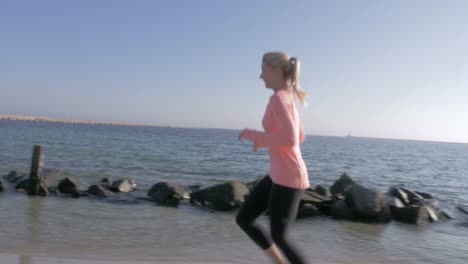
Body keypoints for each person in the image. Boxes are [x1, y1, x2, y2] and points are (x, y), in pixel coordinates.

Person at [237, 51, 310, 264]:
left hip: (289, 178)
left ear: (276, 71)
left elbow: (289, 138)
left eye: (263, 70)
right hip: (279, 174)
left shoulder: (279, 98)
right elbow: (300, 135)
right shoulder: (287, 97)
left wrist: (255, 136)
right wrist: (266, 141)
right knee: (244, 219)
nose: (261, 76)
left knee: (280, 236)